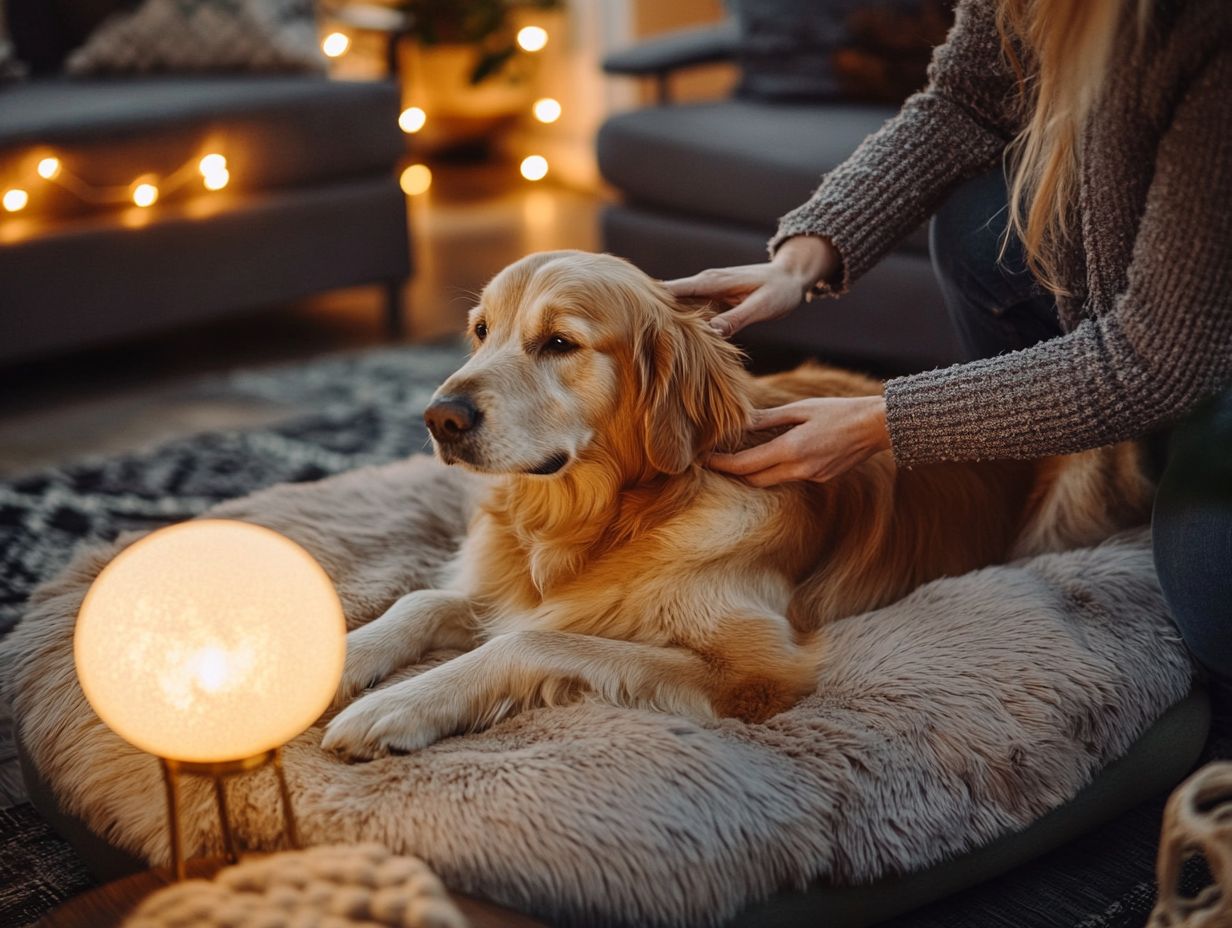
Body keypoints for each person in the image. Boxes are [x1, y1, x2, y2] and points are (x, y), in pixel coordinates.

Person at [665, 0, 1232, 673]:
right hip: (1154, 337)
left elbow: (1155, 363)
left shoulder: (1210, 35)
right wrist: (799, 260)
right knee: (977, 224)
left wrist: (886, 421)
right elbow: (964, 104)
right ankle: (1055, 471)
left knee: (1207, 588)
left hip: (1188, 352)